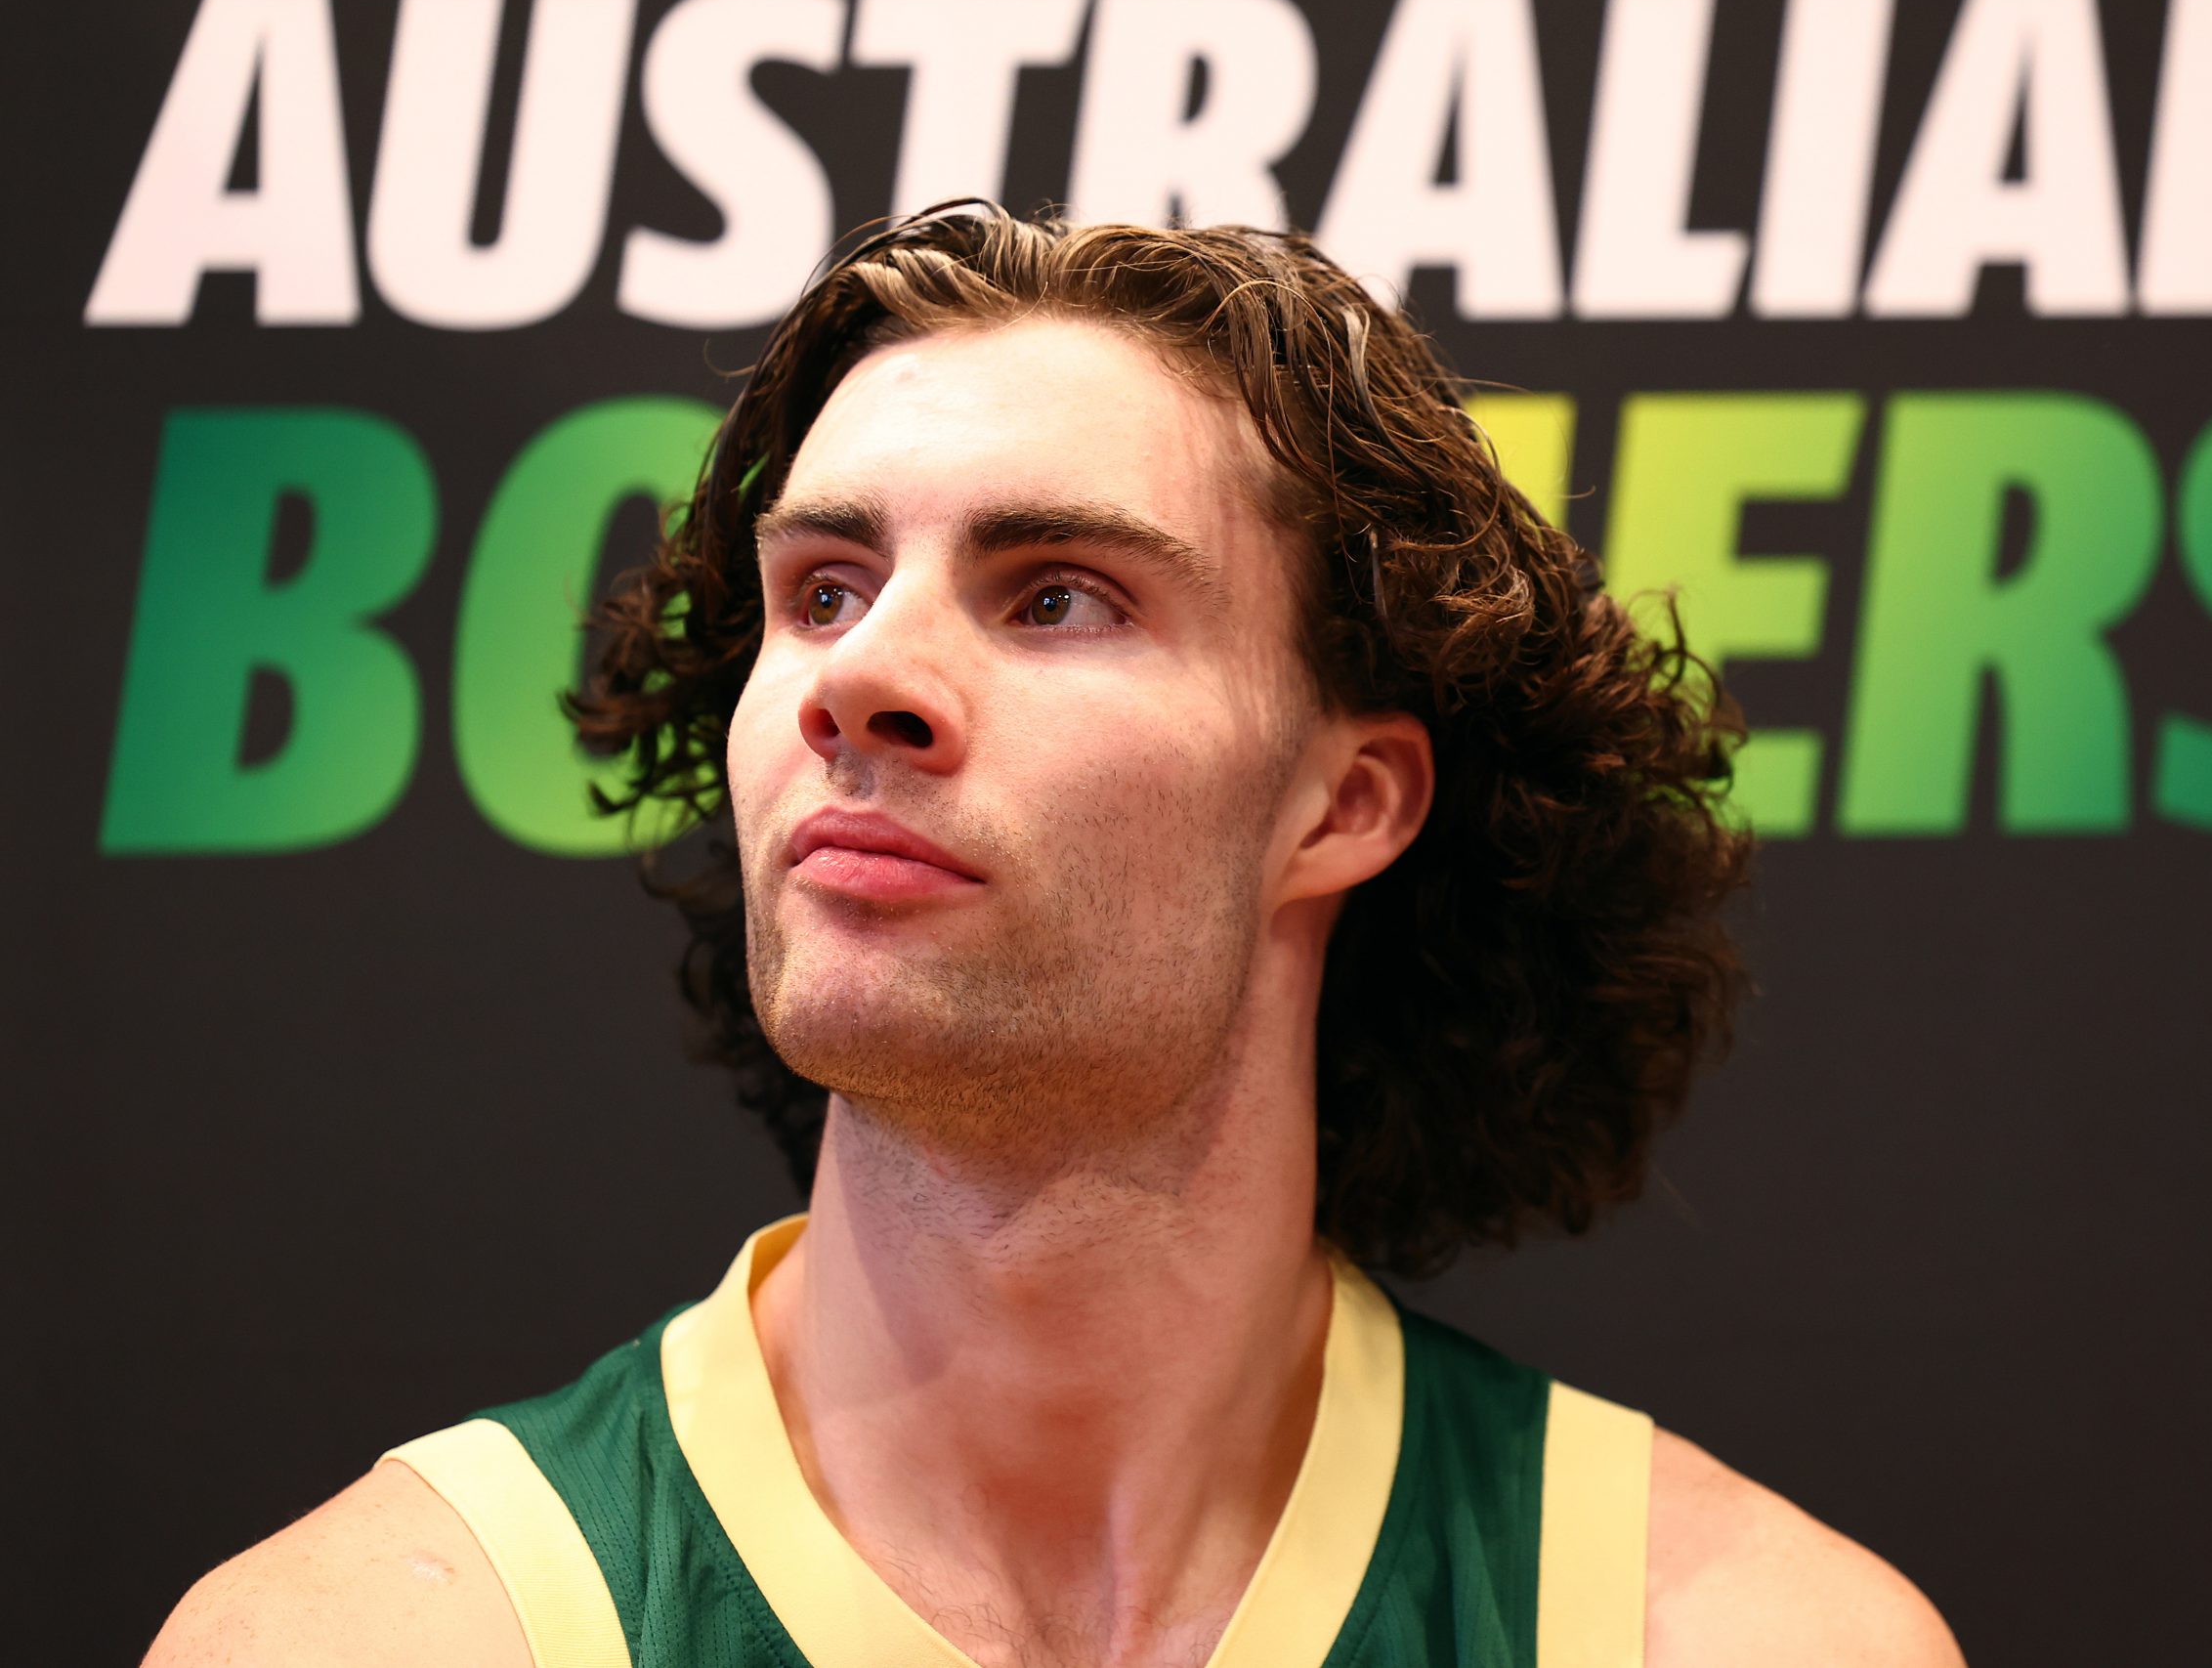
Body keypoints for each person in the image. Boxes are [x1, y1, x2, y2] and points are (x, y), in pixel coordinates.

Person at [144, 207, 1964, 1668]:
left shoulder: (1740, 1636)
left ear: (1346, 805)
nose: (860, 679)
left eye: (1058, 595)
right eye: (825, 588)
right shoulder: (368, 1634)